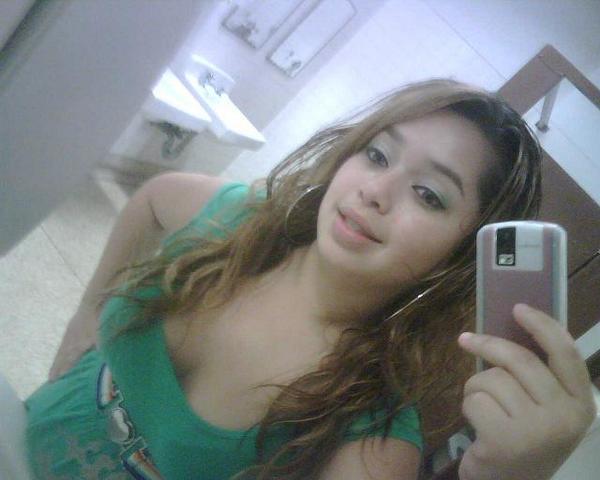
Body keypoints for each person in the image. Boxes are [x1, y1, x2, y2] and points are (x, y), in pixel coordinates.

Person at [26, 79, 595, 480]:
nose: (375, 191)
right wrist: (87, 314)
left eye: (428, 194)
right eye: (377, 155)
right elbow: (152, 200)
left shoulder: (370, 430)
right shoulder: (240, 223)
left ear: (456, 261)